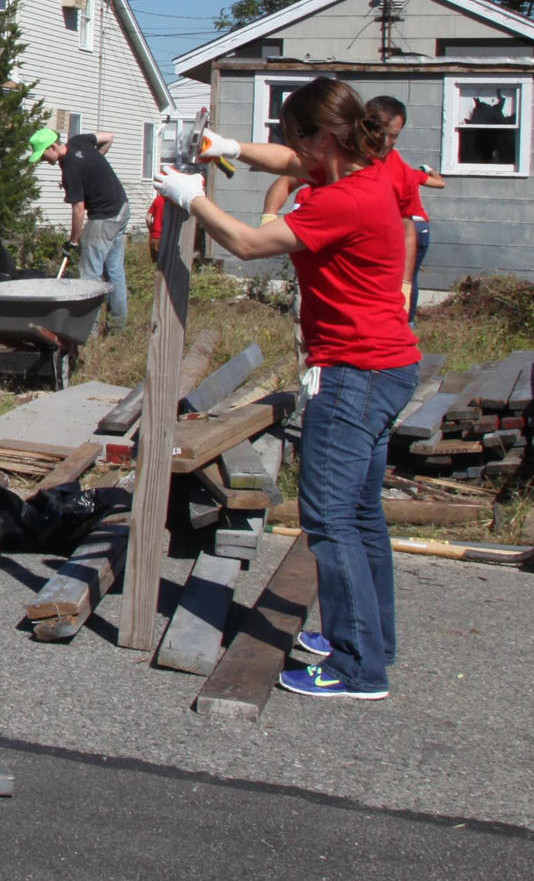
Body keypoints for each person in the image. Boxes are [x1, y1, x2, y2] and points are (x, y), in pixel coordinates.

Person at [162, 78, 421, 701]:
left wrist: (191, 198)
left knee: (330, 521)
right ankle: (371, 640)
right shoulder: (374, 171)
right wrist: (232, 148)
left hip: (353, 373)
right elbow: (289, 161)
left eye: (293, 136)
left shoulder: (339, 202)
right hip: (388, 366)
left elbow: (249, 243)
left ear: (321, 138)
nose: (287, 149)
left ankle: (359, 667)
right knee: (360, 516)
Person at [362, 96, 445, 318]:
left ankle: (405, 317)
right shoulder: (347, 161)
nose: (391, 142)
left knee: (401, 280)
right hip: (414, 229)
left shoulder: (401, 168)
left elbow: (406, 223)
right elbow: (439, 182)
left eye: (396, 136)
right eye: (387, 135)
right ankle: (408, 318)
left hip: (407, 231)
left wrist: (404, 286)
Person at [54, 131, 130, 326]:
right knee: (114, 270)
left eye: (43, 155)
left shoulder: (71, 168)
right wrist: (93, 166)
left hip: (104, 217)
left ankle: (89, 329)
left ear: (52, 147)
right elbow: (109, 137)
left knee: (89, 274)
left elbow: (79, 210)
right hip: (121, 207)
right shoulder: (78, 141)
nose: (43, 160)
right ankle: (117, 325)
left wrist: (73, 241)